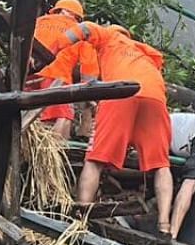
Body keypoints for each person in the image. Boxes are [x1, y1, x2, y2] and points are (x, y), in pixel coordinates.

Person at [51, 22, 173, 233]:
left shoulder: (109, 37)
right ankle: (164, 226)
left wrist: (54, 48)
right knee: (161, 165)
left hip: (121, 92)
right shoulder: (143, 53)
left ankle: (81, 219)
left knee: (95, 159)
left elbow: (86, 27)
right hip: (155, 98)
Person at [29, 0, 85, 139]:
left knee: (30, 114)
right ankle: (55, 153)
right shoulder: (78, 30)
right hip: (57, 75)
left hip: (29, 73)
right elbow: (87, 65)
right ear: (77, 16)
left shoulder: (40, 21)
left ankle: (28, 149)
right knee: (63, 115)